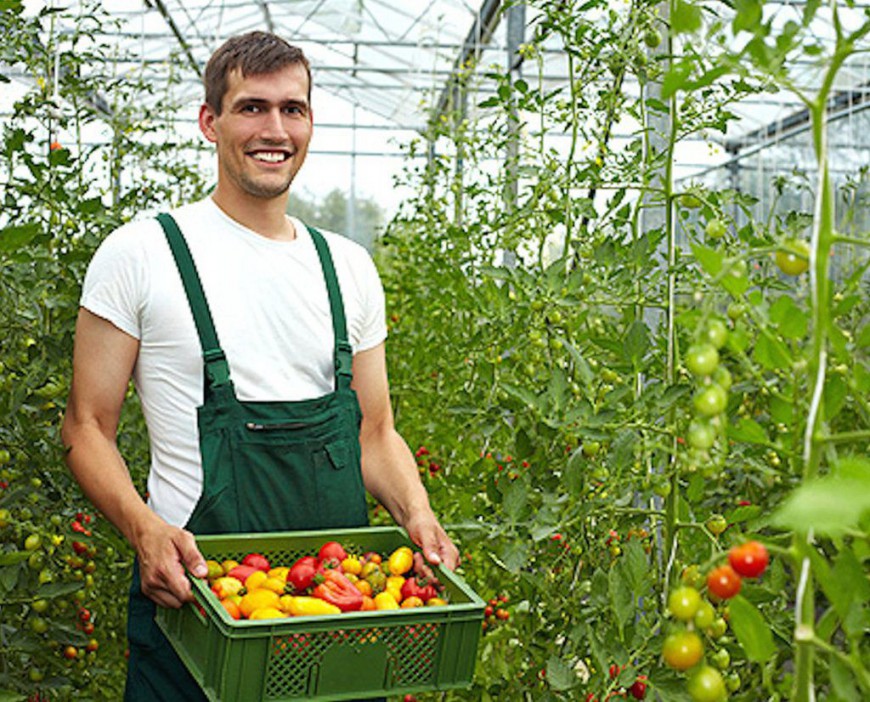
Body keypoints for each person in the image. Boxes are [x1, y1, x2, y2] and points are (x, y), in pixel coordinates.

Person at [61, 30, 458, 701]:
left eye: (292, 109)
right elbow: (85, 428)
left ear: (309, 122)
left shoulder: (348, 269)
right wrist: (145, 530)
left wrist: (416, 512)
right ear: (210, 122)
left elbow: (374, 431)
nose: (275, 128)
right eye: (251, 107)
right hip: (196, 611)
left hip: (338, 616)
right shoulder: (143, 254)